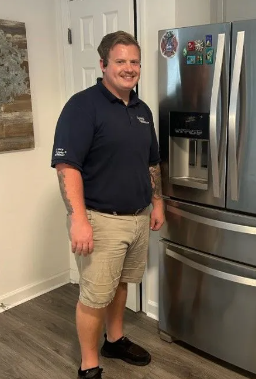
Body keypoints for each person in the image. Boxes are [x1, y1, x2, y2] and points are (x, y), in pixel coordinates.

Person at [51, 31, 164, 379]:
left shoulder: (142, 110)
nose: (129, 68)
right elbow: (67, 166)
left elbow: (152, 162)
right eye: (120, 61)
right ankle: (89, 365)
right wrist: (78, 220)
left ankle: (114, 340)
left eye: (134, 62)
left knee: (121, 284)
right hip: (101, 220)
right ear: (103, 64)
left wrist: (156, 202)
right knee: (94, 295)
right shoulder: (83, 106)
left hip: (138, 217)